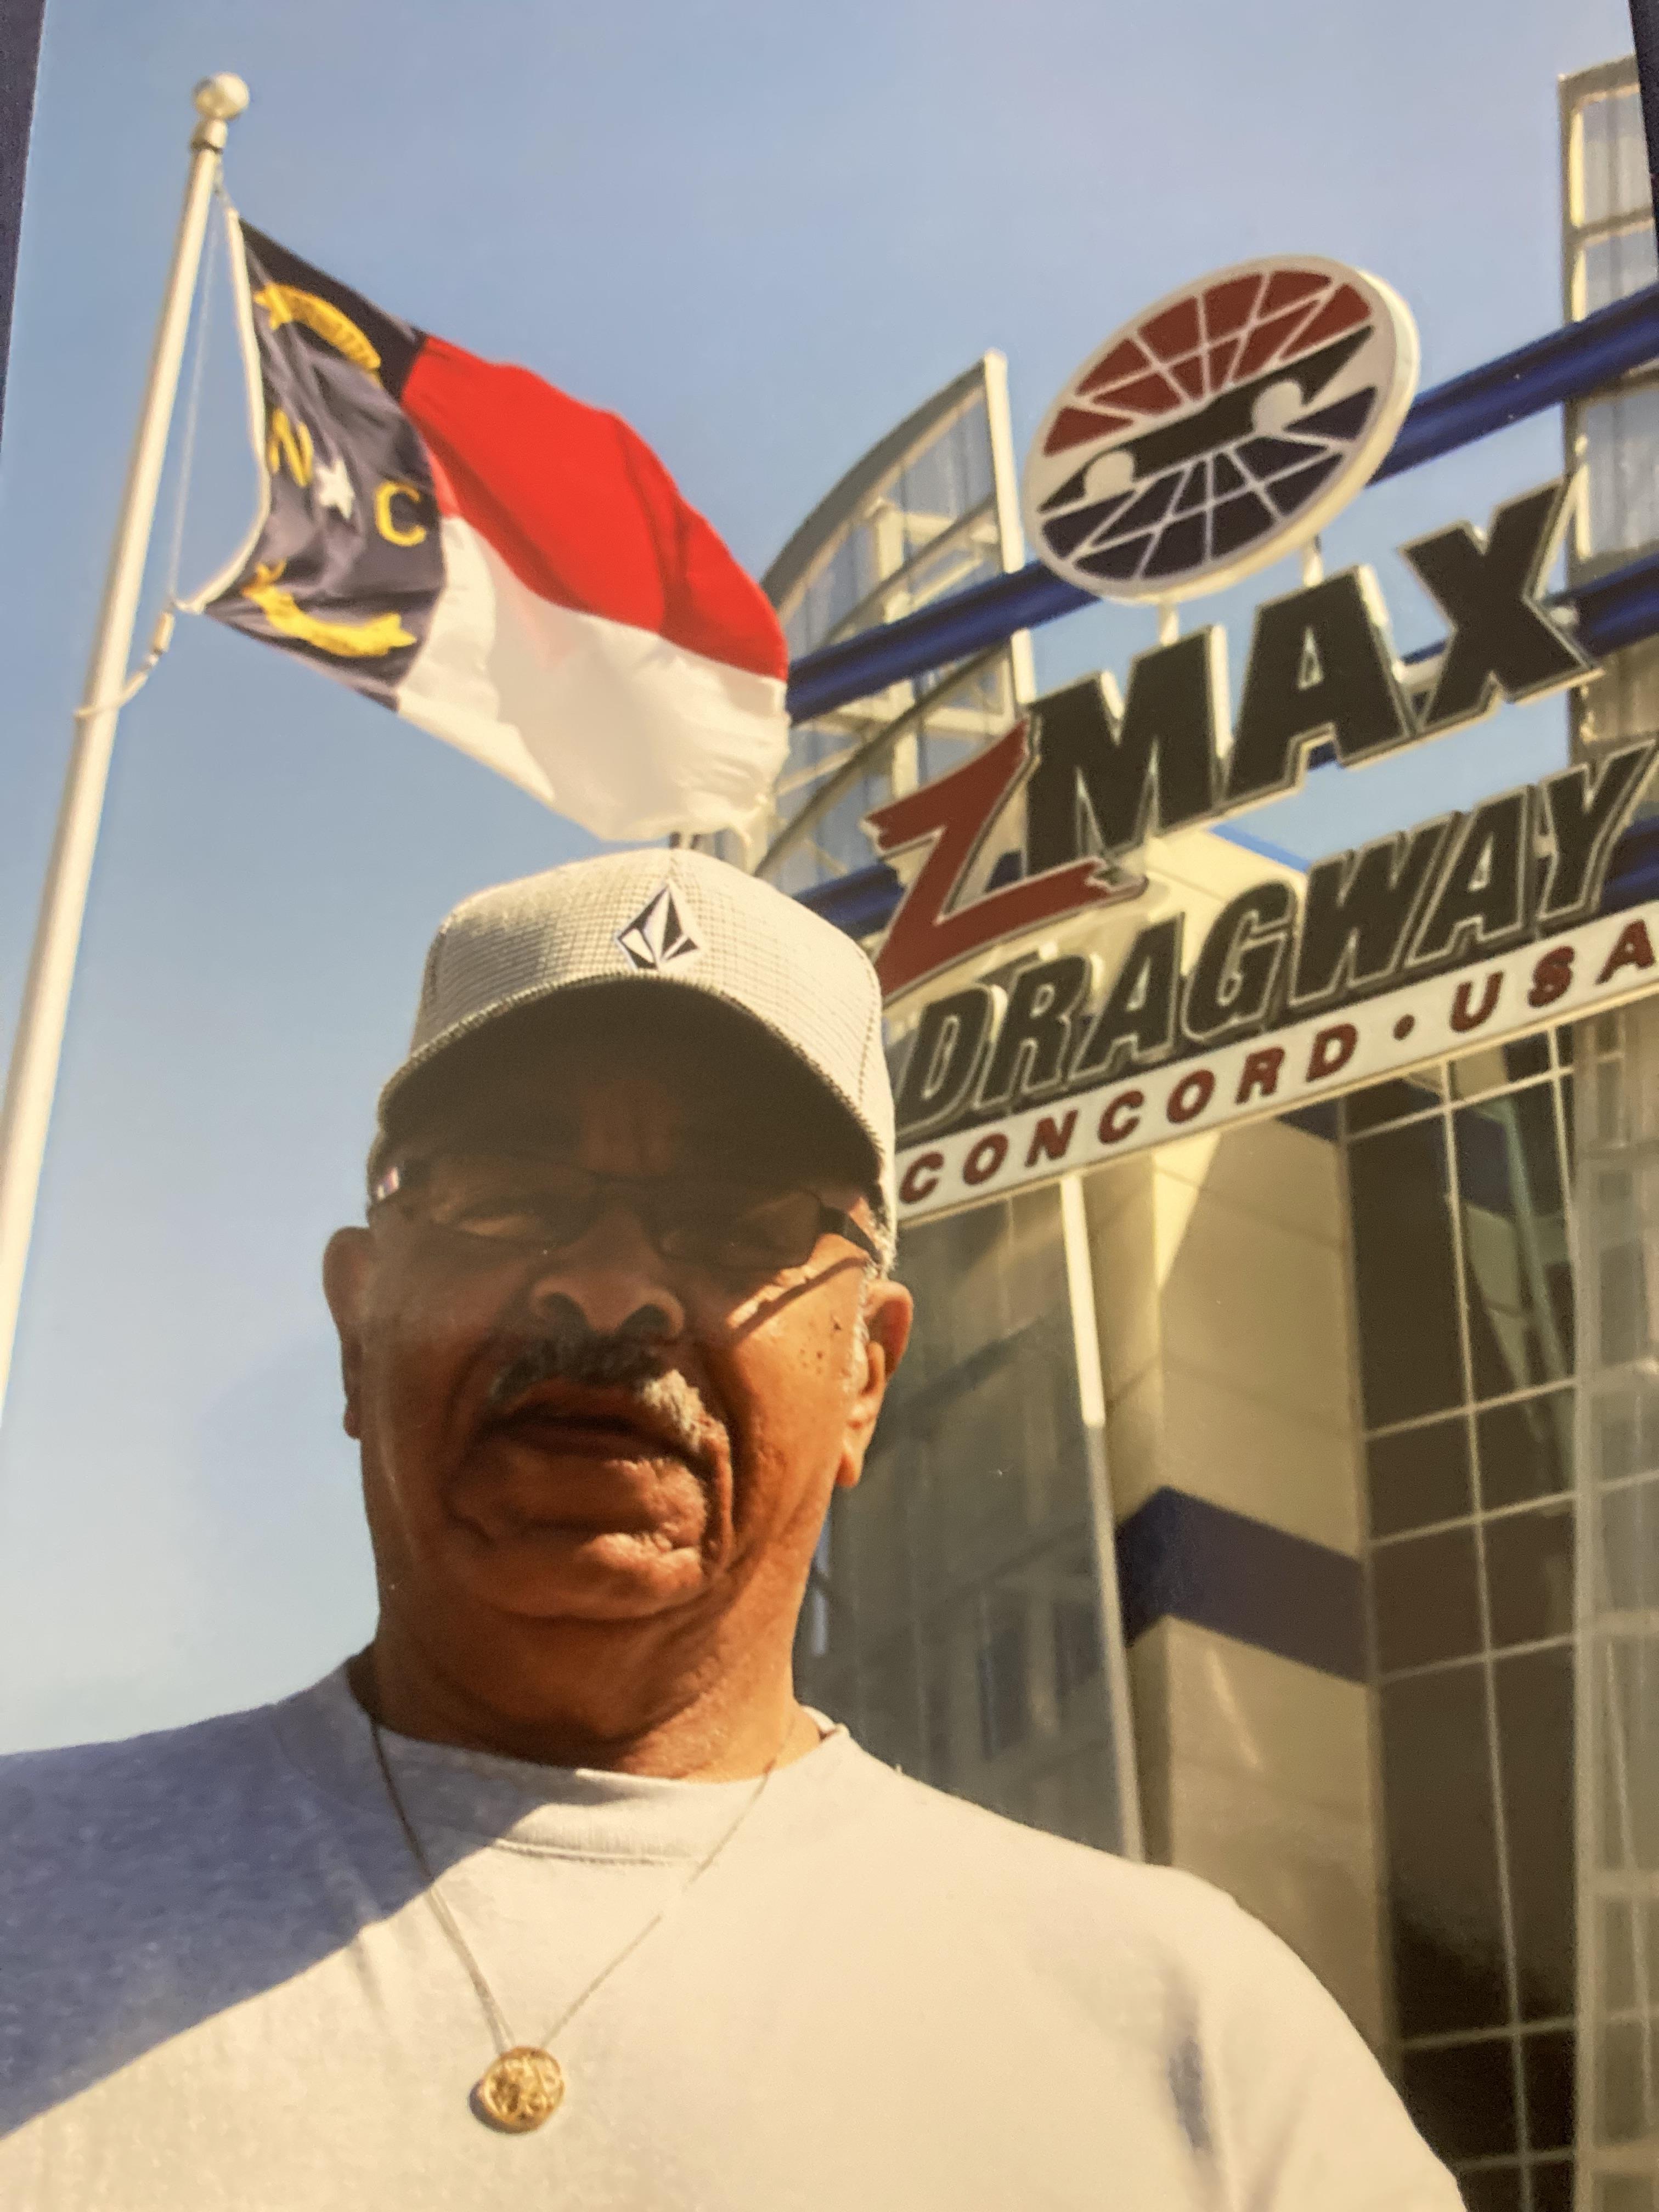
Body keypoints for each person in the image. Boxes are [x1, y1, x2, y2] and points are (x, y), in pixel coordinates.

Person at [0, 848, 1460, 2209]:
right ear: (355, 1325)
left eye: (743, 1218)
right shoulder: (30, 1898)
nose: (612, 1289)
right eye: (507, 1196)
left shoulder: (1196, 2044)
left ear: (867, 1378)